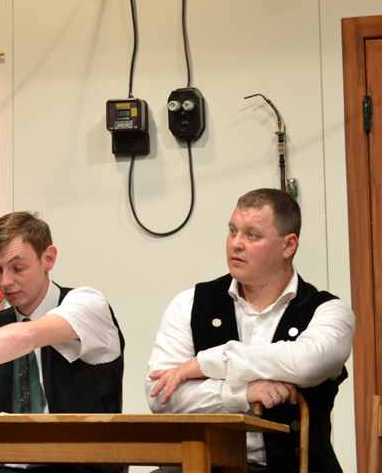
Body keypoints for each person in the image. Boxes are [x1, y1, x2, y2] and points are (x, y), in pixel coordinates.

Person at [145, 189, 354, 472]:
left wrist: (205, 364)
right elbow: (160, 394)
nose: (236, 244)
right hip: (206, 466)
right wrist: (243, 394)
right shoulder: (190, 303)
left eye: (252, 235)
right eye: (232, 231)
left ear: (288, 246)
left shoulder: (330, 312)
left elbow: (305, 363)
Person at [0, 212, 125, 473]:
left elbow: (24, 337)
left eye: (17, 268)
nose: (5, 282)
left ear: (48, 258)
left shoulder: (88, 304)